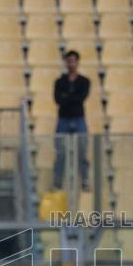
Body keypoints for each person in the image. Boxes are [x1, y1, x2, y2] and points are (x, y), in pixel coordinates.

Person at [53, 50, 90, 191]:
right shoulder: (59, 81)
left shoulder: (84, 81)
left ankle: (85, 180)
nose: (71, 63)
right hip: (63, 119)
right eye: (69, 61)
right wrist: (72, 98)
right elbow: (58, 99)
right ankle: (57, 181)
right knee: (60, 152)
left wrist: (67, 97)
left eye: (73, 60)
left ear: (77, 62)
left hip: (79, 119)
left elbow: (81, 98)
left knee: (82, 150)